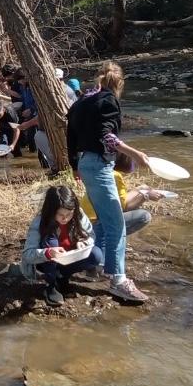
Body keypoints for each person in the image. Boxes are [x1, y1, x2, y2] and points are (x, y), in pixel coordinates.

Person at [67, 60, 153, 303]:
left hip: (85, 163)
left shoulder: (81, 101)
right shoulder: (108, 101)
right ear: (119, 84)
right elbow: (108, 137)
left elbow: (70, 134)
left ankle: (97, 263)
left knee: (104, 222)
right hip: (99, 166)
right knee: (117, 225)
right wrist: (135, 153)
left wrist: (75, 166)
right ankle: (118, 280)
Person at [20, 186, 100, 307]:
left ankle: (62, 277)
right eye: (60, 214)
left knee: (96, 254)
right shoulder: (39, 222)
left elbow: (91, 236)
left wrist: (84, 242)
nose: (65, 218)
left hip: (69, 258)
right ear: (51, 211)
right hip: (45, 262)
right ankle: (50, 286)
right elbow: (27, 255)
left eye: (69, 214)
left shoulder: (79, 215)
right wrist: (47, 253)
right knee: (51, 243)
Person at [80, 153, 160, 253]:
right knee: (145, 216)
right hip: (95, 225)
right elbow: (123, 206)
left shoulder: (106, 172)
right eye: (133, 161)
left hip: (85, 222)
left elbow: (118, 199)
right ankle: (113, 240)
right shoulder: (116, 176)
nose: (134, 164)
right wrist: (146, 196)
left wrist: (139, 189)